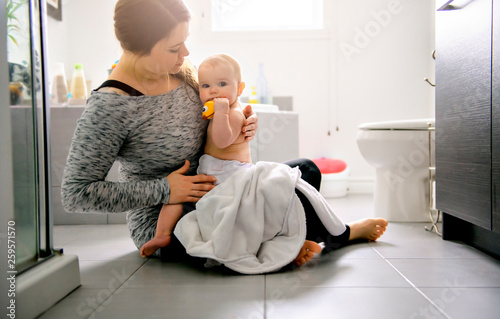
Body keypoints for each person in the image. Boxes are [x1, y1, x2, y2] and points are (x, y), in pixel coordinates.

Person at [61, 0, 387, 263]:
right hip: (171, 221)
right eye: (175, 47)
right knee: (287, 198)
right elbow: (75, 193)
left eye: (185, 42)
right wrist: (165, 190)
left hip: (222, 190)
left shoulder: (184, 73)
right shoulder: (110, 107)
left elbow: (221, 106)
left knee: (307, 171)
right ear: (139, 47)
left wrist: (244, 118)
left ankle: (287, 242)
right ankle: (331, 236)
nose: (186, 54)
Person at [140, 54, 323, 265]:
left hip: (229, 178)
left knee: (185, 201)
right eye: (206, 85)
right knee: (176, 198)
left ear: (239, 88)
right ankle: (161, 234)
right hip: (212, 176)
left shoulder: (232, 113)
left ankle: (292, 239)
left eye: (222, 84)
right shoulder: (219, 109)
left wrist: (222, 113)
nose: (213, 90)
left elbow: (222, 139)